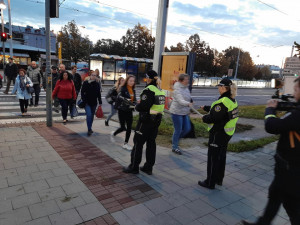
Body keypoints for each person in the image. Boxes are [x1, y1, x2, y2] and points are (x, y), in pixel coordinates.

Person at [241, 77, 300, 225]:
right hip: (288, 168)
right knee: (276, 197)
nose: (294, 93)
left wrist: (270, 110)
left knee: (290, 205)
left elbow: (272, 126)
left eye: (296, 89)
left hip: (291, 170)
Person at [198, 78, 238, 189]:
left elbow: (214, 117)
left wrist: (204, 118)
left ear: (223, 88)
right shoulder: (232, 100)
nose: (218, 88)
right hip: (227, 134)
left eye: (219, 86)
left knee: (213, 158)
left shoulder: (222, 102)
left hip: (218, 134)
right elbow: (220, 112)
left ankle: (210, 182)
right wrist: (206, 108)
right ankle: (219, 179)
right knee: (221, 156)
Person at [123, 70, 165, 175]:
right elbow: (157, 107)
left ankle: (134, 167)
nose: (145, 80)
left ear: (149, 79)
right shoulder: (160, 91)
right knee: (151, 144)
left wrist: (137, 106)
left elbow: (144, 107)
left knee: (138, 143)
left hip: (145, 122)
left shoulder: (149, 90)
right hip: (156, 121)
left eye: (146, 78)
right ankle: (148, 167)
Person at [169, 74, 193, 155]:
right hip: (176, 112)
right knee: (178, 130)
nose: (187, 81)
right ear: (180, 81)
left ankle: (174, 140)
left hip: (184, 112)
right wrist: (188, 104)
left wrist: (189, 105)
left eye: (187, 79)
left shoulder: (186, 88)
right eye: (186, 79)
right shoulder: (177, 89)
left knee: (187, 129)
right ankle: (174, 147)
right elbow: (180, 100)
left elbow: (188, 98)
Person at [112, 75, 136, 150]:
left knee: (129, 127)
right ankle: (114, 133)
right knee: (123, 127)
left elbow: (134, 100)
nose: (132, 82)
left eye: (133, 81)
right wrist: (125, 99)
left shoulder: (133, 90)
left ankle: (125, 143)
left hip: (129, 110)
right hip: (122, 110)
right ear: (127, 81)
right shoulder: (123, 88)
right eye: (130, 81)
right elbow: (119, 97)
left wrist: (135, 104)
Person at [81, 71, 102, 136]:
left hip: (94, 103)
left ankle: (90, 127)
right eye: (92, 75)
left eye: (95, 75)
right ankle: (89, 129)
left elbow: (98, 94)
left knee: (92, 116)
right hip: (87, 102)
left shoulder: (97, 84)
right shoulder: (86, 83)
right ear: (90, 76)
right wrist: (84, 99)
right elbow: (82, 92)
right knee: (89, 115)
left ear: (96, 77)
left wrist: (100, 102)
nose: (93, 76)